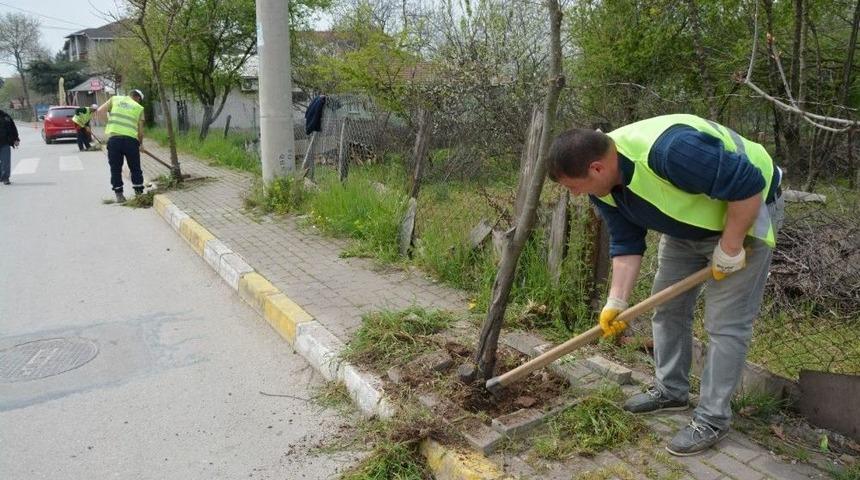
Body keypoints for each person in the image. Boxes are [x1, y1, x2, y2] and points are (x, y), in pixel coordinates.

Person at [546, 114, 784, 456]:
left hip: (747, 212)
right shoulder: (601, 188)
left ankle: (713, 418)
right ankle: (671, 391)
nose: (574, 193)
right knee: (667, 307)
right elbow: (626, 242)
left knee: (724, 324)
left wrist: (730, 248)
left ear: (596, 168)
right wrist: (617, 301)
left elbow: (748, 185)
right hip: (688, 225)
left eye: (572, 186)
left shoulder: (672, 151)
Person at [96, 90, 145, 203]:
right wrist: (141, 144)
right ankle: (139, 194)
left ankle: (119, 195)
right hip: (131, 142)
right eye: (140, 100)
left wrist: (109, 123)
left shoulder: (115, 99)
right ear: (137, 98)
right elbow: (140, 131)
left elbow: (99, 111)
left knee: (115, 169)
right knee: (135, 168)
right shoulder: (139, 108)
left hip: (114, 140)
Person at [0, 108, 20, 185]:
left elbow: (13, 128)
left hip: (5, 143)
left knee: (5, 162)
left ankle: (5, 178)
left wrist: (16, 139)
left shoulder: (5, 116)